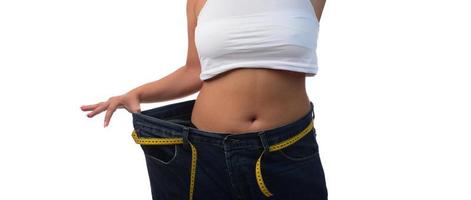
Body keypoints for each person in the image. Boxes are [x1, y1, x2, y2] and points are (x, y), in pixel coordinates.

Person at [81, 0, 328, 199]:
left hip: (286, 151)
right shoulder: (198, 2)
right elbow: (193, 71)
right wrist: (137, 93)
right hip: (204, 153)